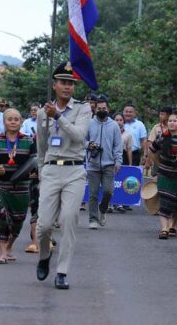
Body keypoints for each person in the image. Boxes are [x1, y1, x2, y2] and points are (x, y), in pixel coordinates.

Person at [35, 61, 91, 290]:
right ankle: (44, 255)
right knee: (44, 225)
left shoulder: (83, 109)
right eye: (63, 82)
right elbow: (41, 146)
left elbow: (79, 135)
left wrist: (58, 116)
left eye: (71, 83)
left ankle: (62, 271)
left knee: (68, 219)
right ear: (54, 85)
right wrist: (42, 173)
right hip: (51, 169)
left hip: (74, 170)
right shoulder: (42, 113)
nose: (67, 87)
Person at [0, 108, 36, 264]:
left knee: (18, 220)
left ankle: (9, 247)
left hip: (22, 187)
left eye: (16, 119)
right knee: (0, 217)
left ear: (21, 122)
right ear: (4, 122)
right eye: (9, 119)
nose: (13, 122)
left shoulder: (28, 141)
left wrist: (34, 173)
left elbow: (35, 161)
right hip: (0, 186)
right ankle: (2, 253)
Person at [84, 96, 123, 229]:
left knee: (108, 191)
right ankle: (93, 219)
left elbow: (118, 145)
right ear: (95, 110)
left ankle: (103, 209)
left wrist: (118, 161)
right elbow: (81, 140)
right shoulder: (89, 123)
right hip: (92, 164)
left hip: (109, 164)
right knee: (93, 193)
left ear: (108, 109)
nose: (101, 110)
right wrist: (89, 145)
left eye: (104, 108)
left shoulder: (114, 125)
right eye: (99, 108)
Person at [151, 112, 177, 239]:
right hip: (164, 175)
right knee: (164, 201)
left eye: (174, 121)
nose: (172, 123)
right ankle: (164, 229)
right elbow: (152, 151)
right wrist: (158, 164)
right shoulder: (161, 137)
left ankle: (173, 225)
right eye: (170, 121)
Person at [122, 104, 147, 173]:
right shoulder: (119, 123)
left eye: (130, 112)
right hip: (121, 154)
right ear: (123, 112)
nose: (128, 114)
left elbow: (144, 139)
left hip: (135, 154)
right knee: (120, 174)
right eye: (126, 111)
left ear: (134, 113)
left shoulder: (139, 124)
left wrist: (145, 154)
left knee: (132, 175)